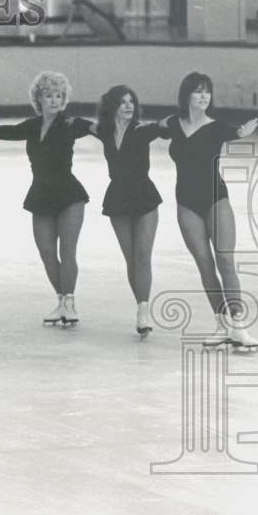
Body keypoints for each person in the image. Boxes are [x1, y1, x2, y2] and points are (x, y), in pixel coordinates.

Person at [0, 71, 93, 327]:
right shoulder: (32, 126)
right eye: (49, 95)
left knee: (67, 251)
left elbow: (93, 127)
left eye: (59, 95)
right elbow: (9, 131)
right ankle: (61, 300)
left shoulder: (70, 124)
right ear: (39, 99)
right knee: (46, 251)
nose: (54, 100)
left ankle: (69, 303)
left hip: (69, 195)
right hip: (41, 195)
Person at [162, 72, 258, 351]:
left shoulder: (217, 126)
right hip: (186, 203)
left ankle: (239, 326)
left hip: (216, 199)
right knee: (205, 265)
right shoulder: (173, 124)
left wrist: (243, 132)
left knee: (225, 261)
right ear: (187, 96)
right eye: (198, 91)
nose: (204, 96)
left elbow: (235, 131)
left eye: (207, 91)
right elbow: (150, 129)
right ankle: (222, 325)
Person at [90, 86, 171, 337]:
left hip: (144, 196)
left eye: (131, 101)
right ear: (112, 106)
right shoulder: (104, 132)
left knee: (142, 256)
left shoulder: (141, 130)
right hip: (118, 199)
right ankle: (140, 305)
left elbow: (163, 126)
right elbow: (81, 125)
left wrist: (172, 122)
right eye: (123, 102)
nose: (128, 105)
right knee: (131, 258)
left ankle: (143, 311)